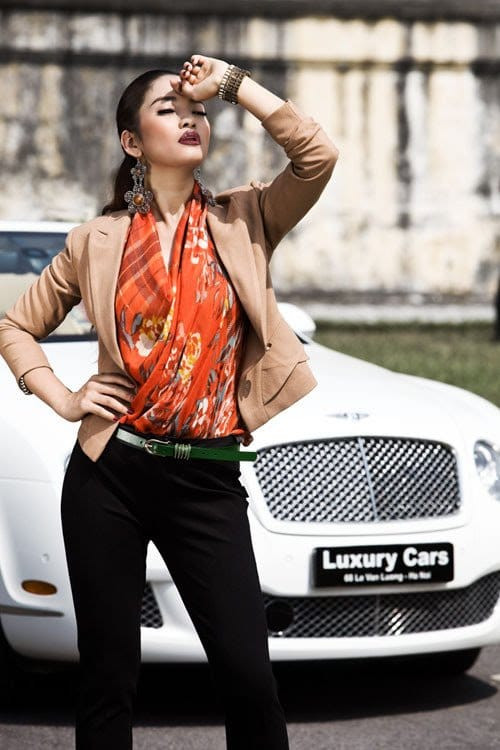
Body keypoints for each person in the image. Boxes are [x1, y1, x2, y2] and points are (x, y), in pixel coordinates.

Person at [0, 53, 339, 749]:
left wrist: (235, 86)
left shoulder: (246, 218)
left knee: (249, 678)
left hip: (207, 479)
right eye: (169, 111)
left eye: (198, 113)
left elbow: (317, 156)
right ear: (131, 141)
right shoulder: (95, 241)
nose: (190, 121)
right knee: (108, 679)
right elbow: (15, 325)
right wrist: (63, 397)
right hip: (109, 475)